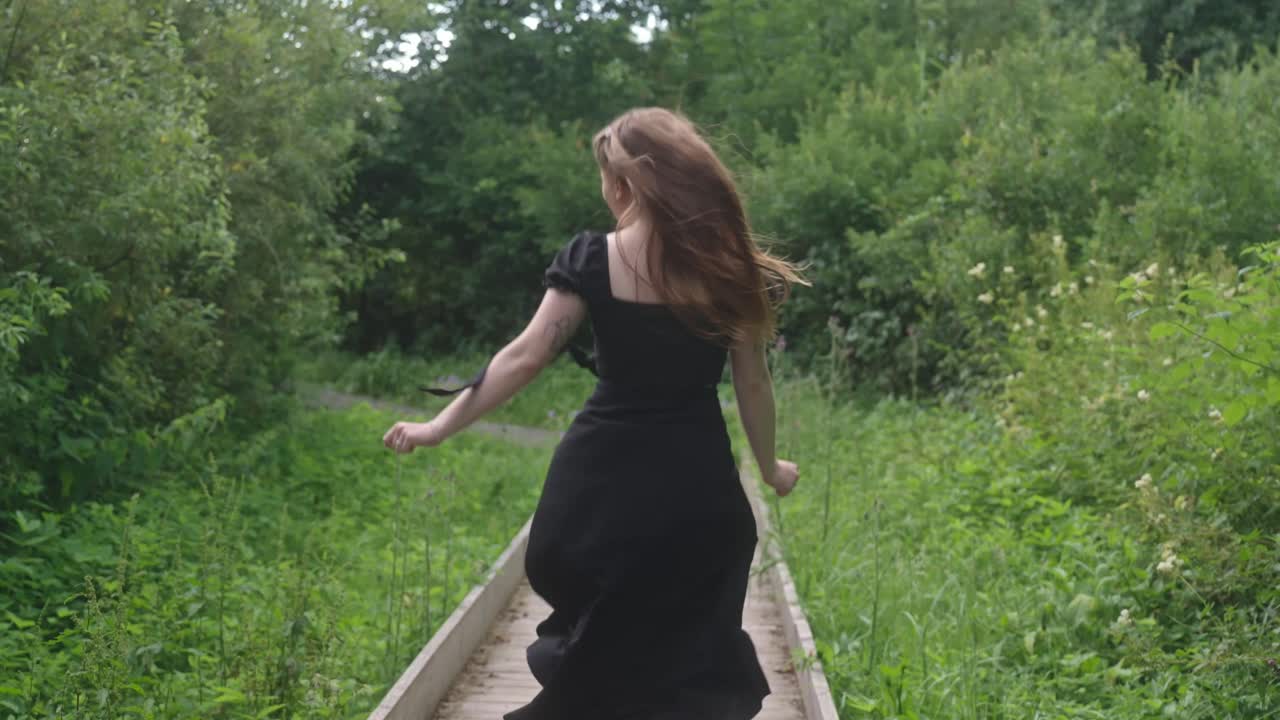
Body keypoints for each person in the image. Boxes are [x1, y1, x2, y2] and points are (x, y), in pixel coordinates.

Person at [382, 107, 804, 720]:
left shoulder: (590, 259)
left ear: (624, 184)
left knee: (601, 625)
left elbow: (525, 356)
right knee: (685, 643)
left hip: (597, 485)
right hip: (696, 485)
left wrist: (436, 427)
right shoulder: (726, 270)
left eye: (606, 178)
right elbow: (754, 385)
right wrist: (769, 469)